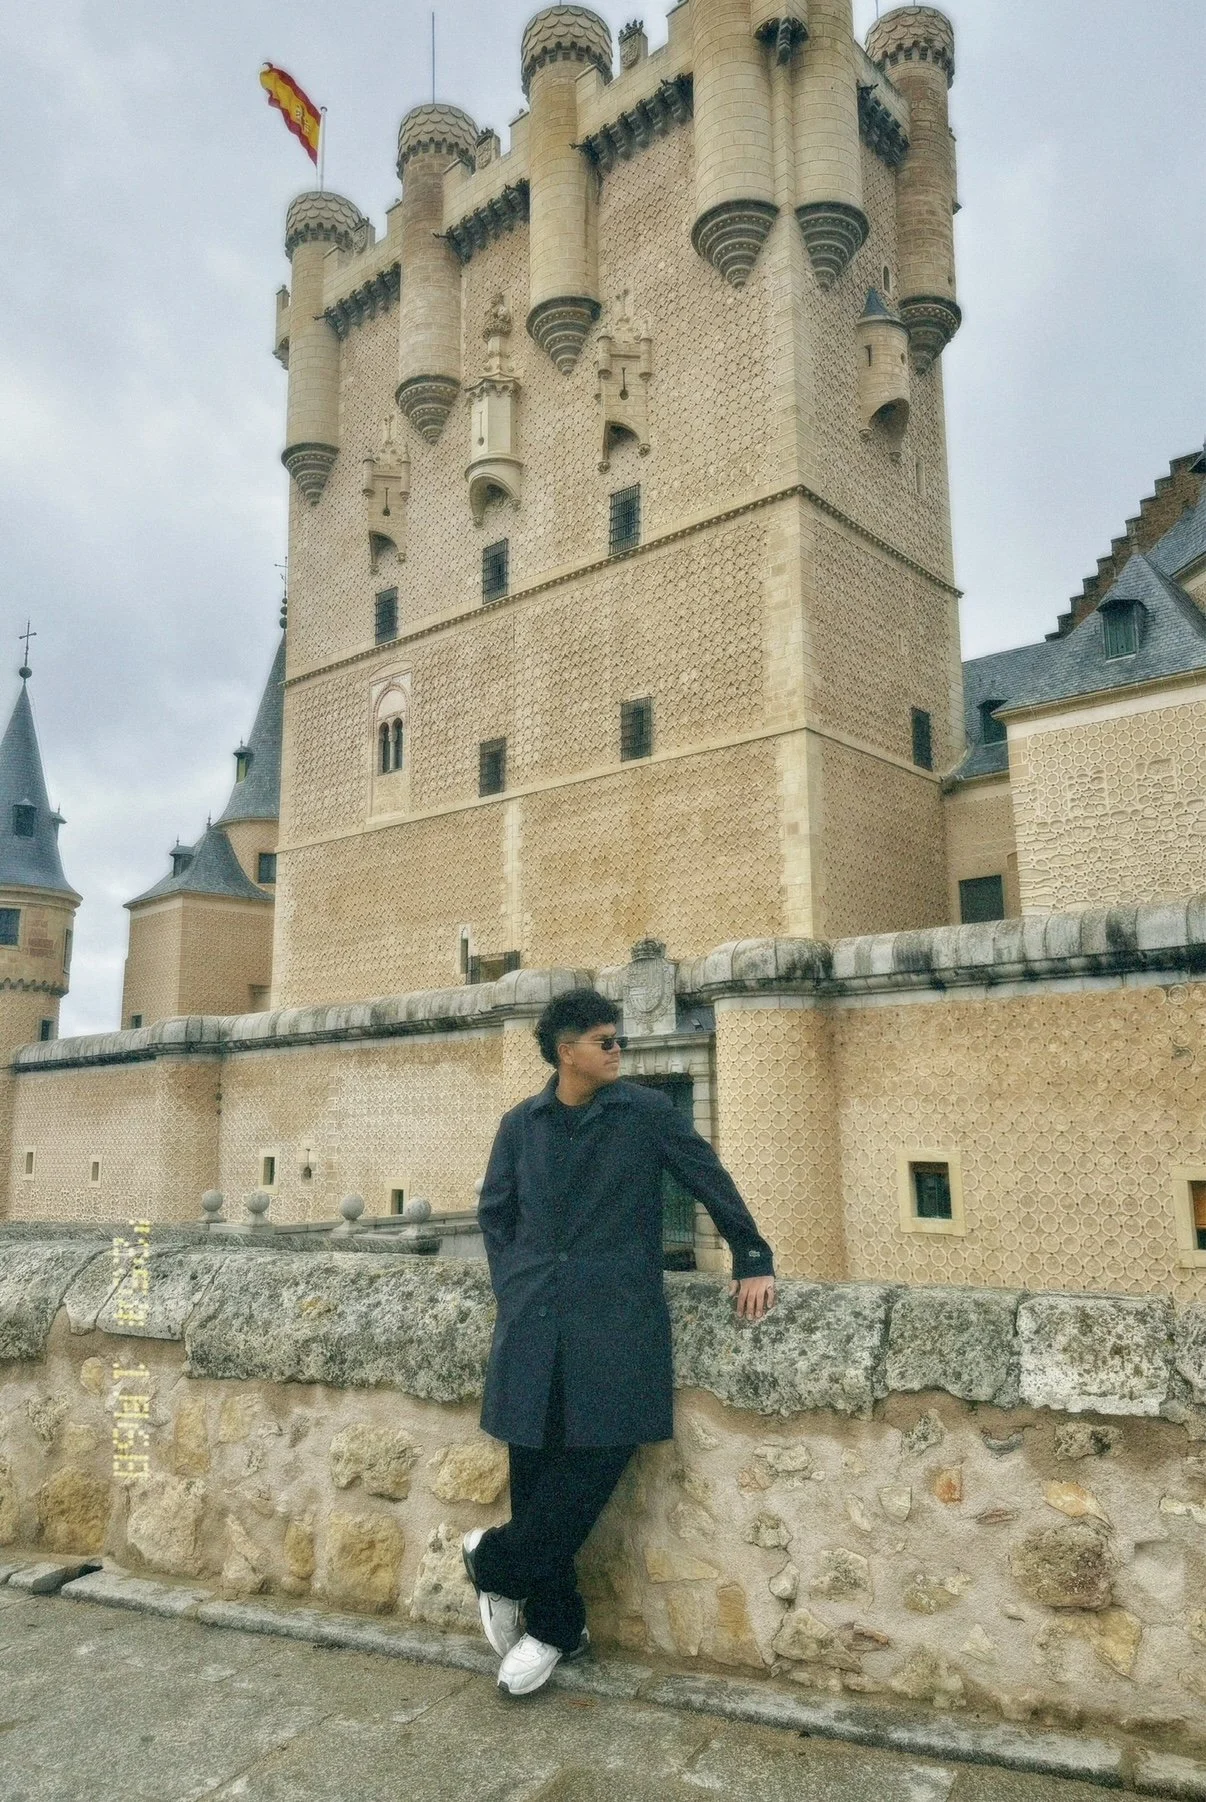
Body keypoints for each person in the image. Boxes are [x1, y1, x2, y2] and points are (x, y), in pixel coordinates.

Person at [462, 986, 776, 1697]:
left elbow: (707, 1178)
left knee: (598, 1459)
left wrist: (752, 1257)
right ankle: (556, 1628)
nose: (618, 1051)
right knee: (537, 1477)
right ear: (566, 1051)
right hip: (534, 1327)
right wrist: (515, 1284)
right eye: (605, 1041)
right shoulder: (521, 1124)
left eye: (617, 1040)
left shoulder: (647, 1115)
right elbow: (495, 1216)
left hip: (617, 1325)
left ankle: (498, 1563)